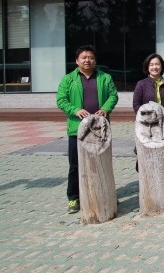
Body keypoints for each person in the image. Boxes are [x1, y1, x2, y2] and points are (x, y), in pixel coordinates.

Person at [56, 45, 119, 214]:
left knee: (102, 162)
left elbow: (113, 96)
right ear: (77, 61)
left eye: (90, 57)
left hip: (99, 128)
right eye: (83, 57)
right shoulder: (69, 79)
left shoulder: (105, 77)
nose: (87, 60)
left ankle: (107, 194)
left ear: (95, 60)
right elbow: (61, 100)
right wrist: (75, 110)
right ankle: (73, 197)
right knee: (75, 165)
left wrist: (105, 109)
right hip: (77, 129)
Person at [132, 53, 164, 171]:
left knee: (163, 151)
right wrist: (146, 118)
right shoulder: (141, 84)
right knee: (147, 150)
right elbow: (136, 105)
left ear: (161, 66)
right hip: (147, 124)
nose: (154, 67)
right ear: (147, 67)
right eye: (151, 64)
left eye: (157, 64)